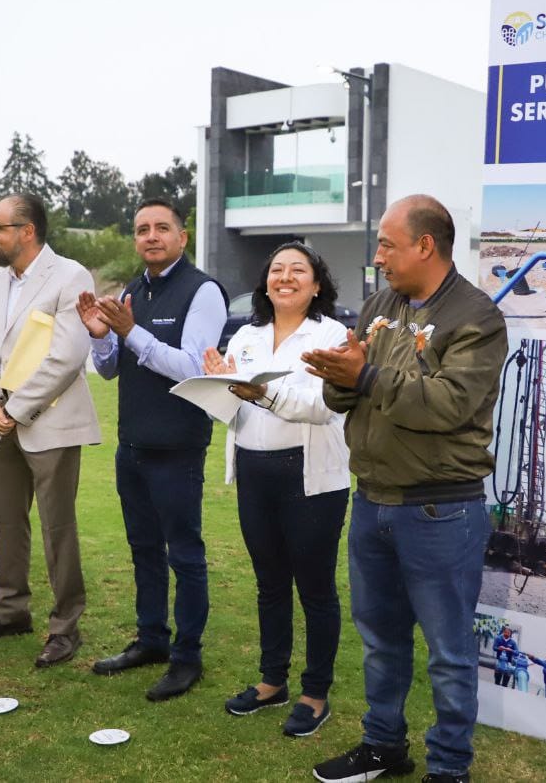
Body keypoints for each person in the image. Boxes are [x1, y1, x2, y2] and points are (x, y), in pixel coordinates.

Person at [302, 194, 507, 783]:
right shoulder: (380, 304)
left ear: (425, 245)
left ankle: (449, 768)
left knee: (449, 652)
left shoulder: (476, 317)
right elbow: (346, 394)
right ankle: (383, 746)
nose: (378, 256)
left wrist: (365, 375)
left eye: (387, 245)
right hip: (373, 501)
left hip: (441, 510)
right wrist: (340, 375)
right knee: (381, 640)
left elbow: (448, 405)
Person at [82, 197, 227, 701]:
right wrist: (101, 337)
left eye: (162, 227)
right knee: (143, 550)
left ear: (182, 237)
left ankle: (187, 657)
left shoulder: (202, 291)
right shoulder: (132, 291)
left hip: (178, 447)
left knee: (184, 555)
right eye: (142, 228)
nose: (151, 236)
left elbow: (194, 368)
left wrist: (131, 332)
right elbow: (109, 369)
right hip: (133, 446)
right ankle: (151, 640)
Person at [203, 241, 349, 736]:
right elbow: (231, 411)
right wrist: (218, 386)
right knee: (269, 583)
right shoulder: (246, 335)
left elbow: (324, 406)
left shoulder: (331, 336)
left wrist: (262, 392)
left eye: (297, 270)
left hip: (309, 477)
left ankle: (314, 694)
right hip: (254, 471)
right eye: (276, 270)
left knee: (315, 588)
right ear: (265, 283)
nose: (284, 277)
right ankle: (272, 682)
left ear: (317, 284)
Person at [0, 193, 101, 668]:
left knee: (58, 528)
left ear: (27, 231)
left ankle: (65, 628)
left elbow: (67, 356)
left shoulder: (70, 276)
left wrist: (15, 410)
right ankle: (10, 612)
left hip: (49, 424)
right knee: (7, 524)